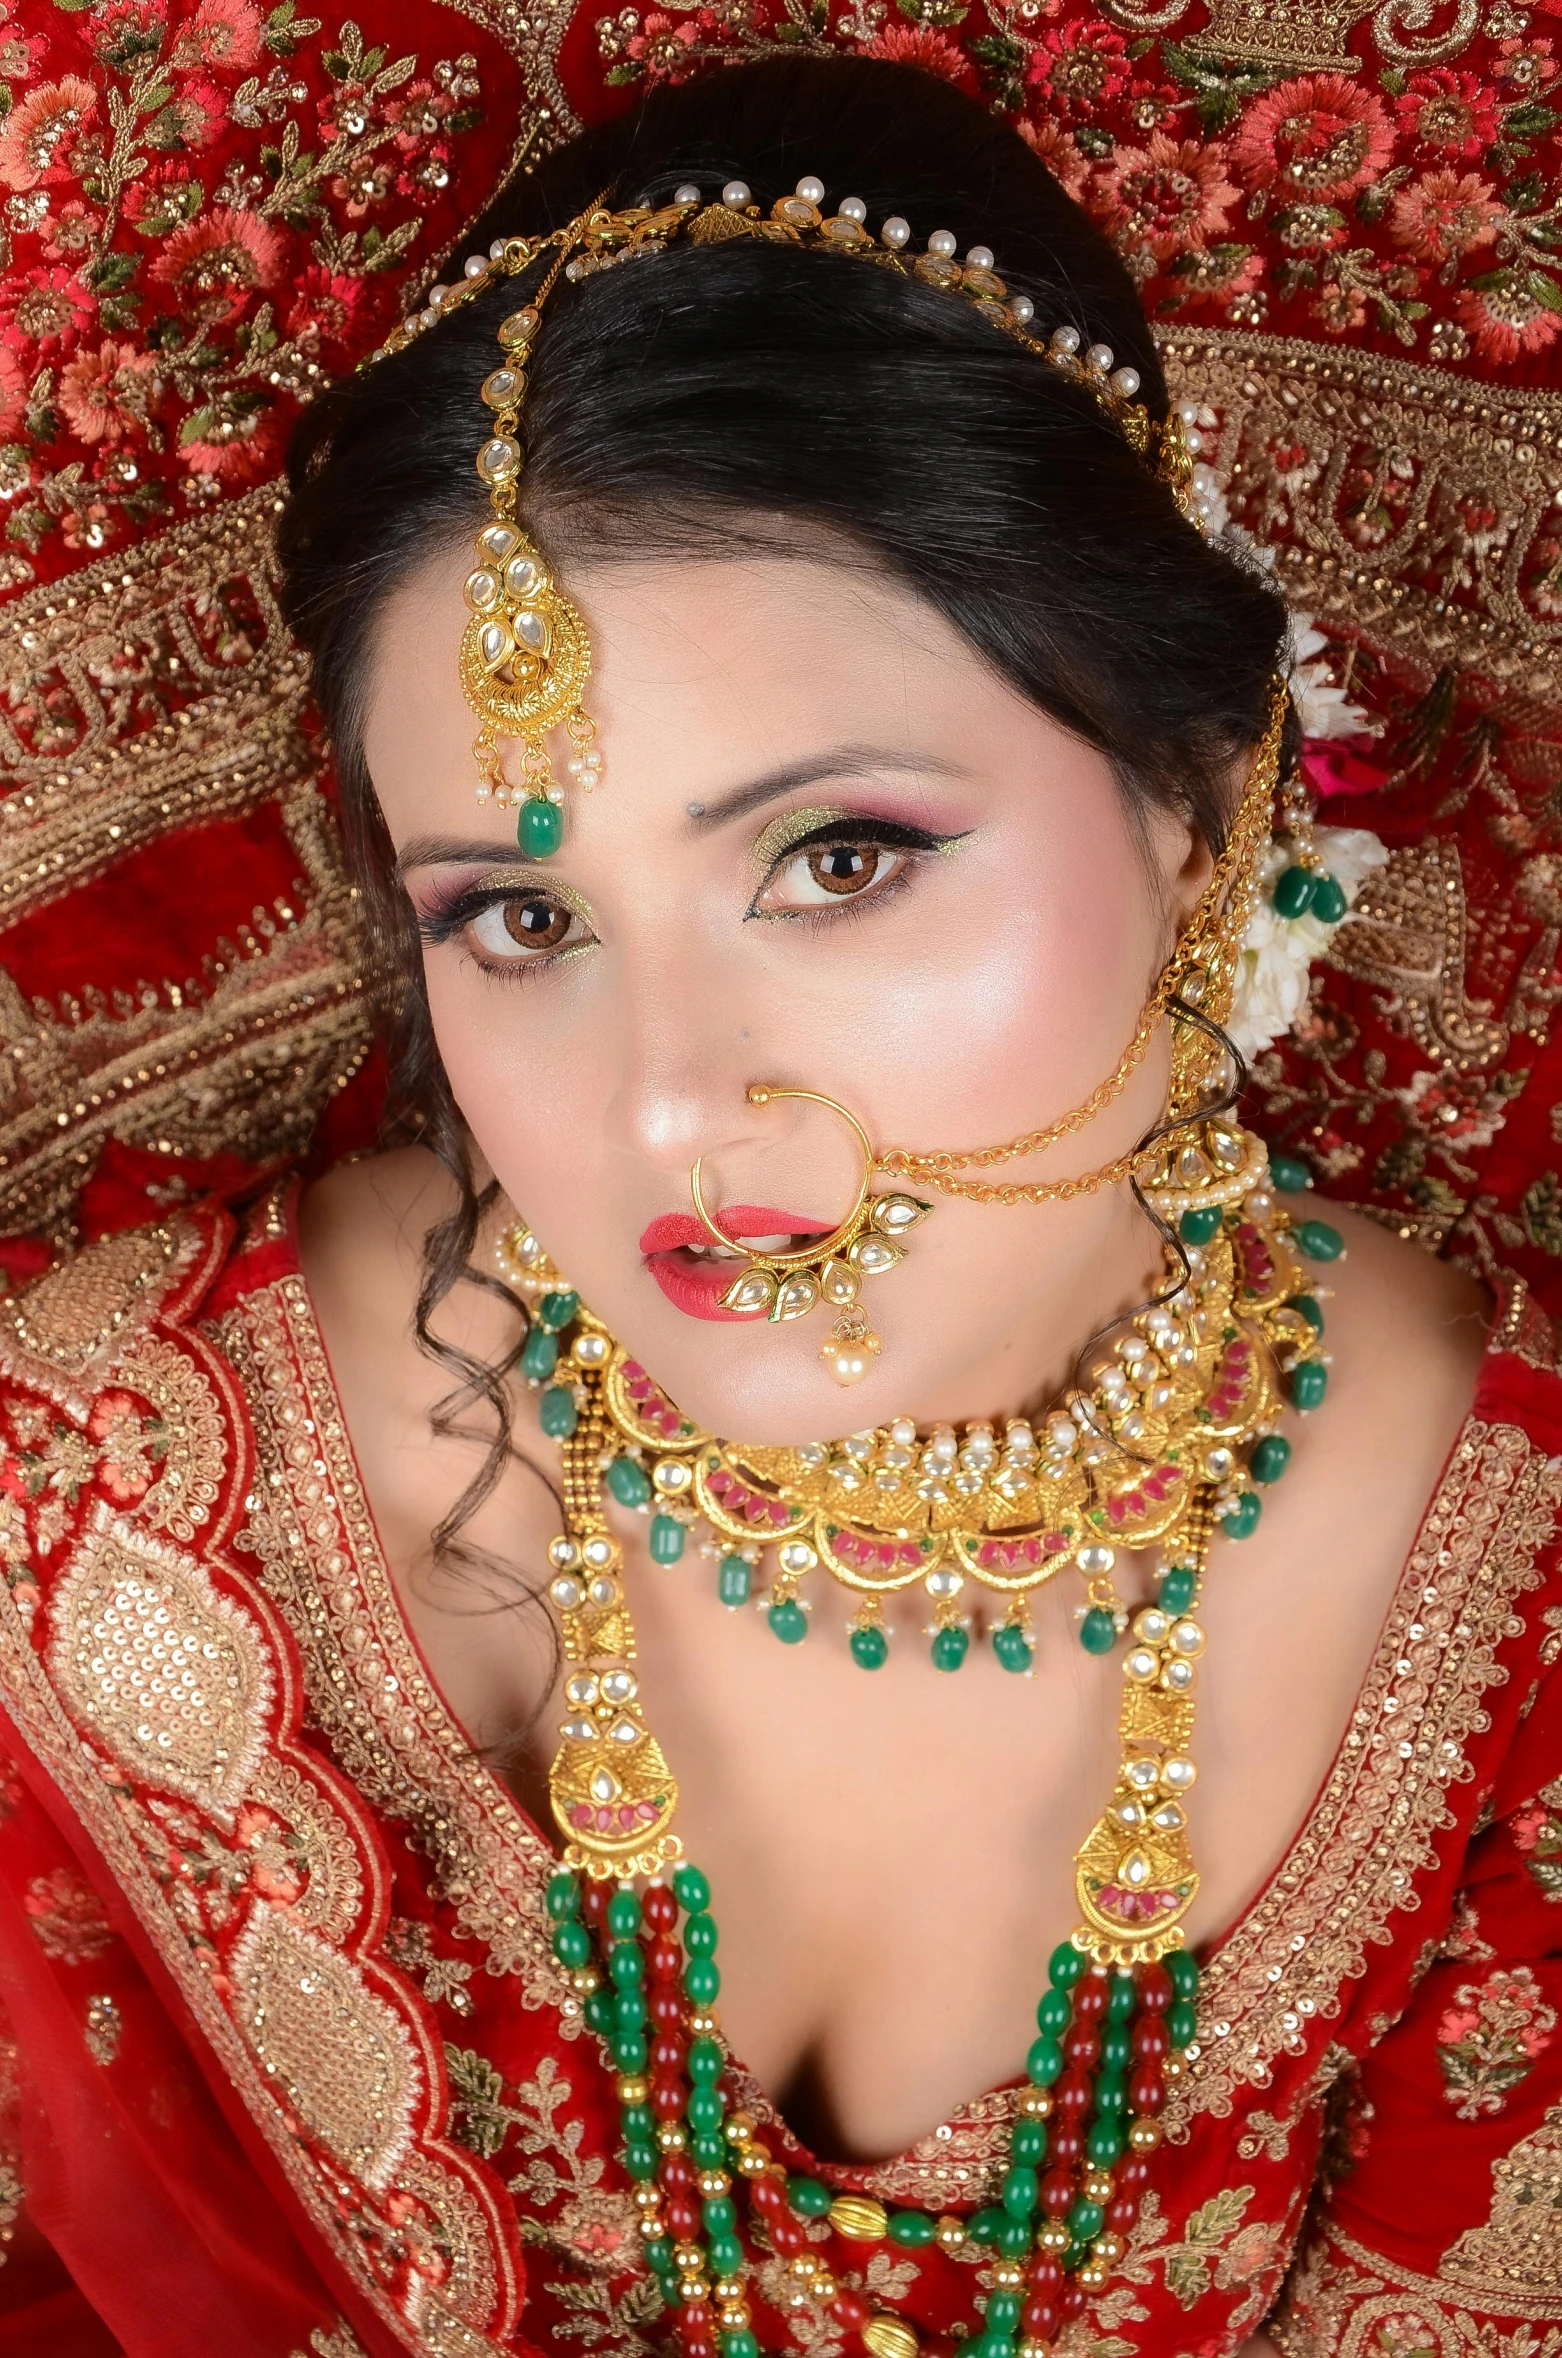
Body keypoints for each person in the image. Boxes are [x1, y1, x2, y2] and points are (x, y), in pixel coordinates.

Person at [0, 39, 1556, 2358]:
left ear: (1197, 808)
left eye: (835, 862)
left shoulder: (1510, 1599)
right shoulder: (112, 1510)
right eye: (517, 920)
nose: (662, 1106)